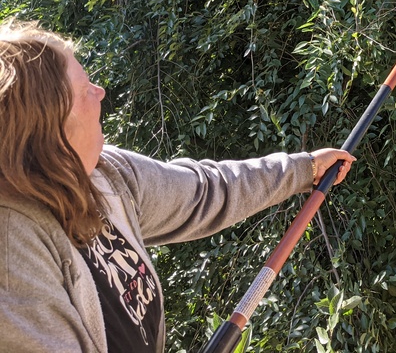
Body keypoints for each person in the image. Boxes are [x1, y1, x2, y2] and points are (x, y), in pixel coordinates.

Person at [0, 18, 356, 353]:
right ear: (49, 124)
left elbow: (205, 191)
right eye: (82, 89)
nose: (100, 91)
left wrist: (303, 169)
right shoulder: (12, 246)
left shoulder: (108, 173)